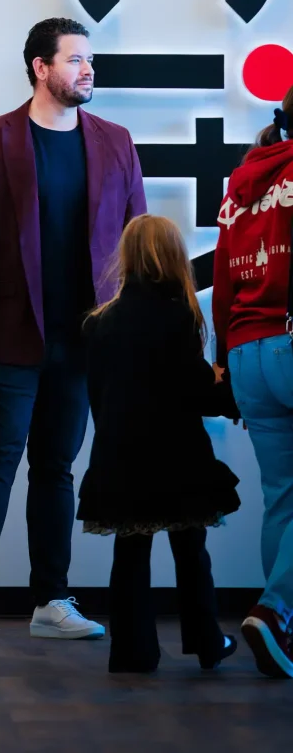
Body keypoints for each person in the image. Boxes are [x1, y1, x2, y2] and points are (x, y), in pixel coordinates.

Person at [0, 17, 146, 641]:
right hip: (6, 333)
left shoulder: (115, 141)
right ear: (41, 67)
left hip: (84, 337)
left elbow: (135, 240)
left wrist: (133, 329)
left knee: (56, 467)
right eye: (75, 59)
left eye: (90, 61)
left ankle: (50, 600)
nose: (88, 70)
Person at [79, 214, 240, 673]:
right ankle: (208, 641)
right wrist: (221, 385)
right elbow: (193, 392)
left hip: (119, 457)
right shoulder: (180, 315)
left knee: (129, 553)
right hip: (176, 457)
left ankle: (131, 651)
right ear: (174, 257)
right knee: (191, 551)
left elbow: (100, 397)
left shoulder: (99, 324)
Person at [213, 89, 293, 679]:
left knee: (283, 497)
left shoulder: (243, 181)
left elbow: (221, 276)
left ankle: (282, 629)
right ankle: (274, 609)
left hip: (245, 350)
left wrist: (223, 358)